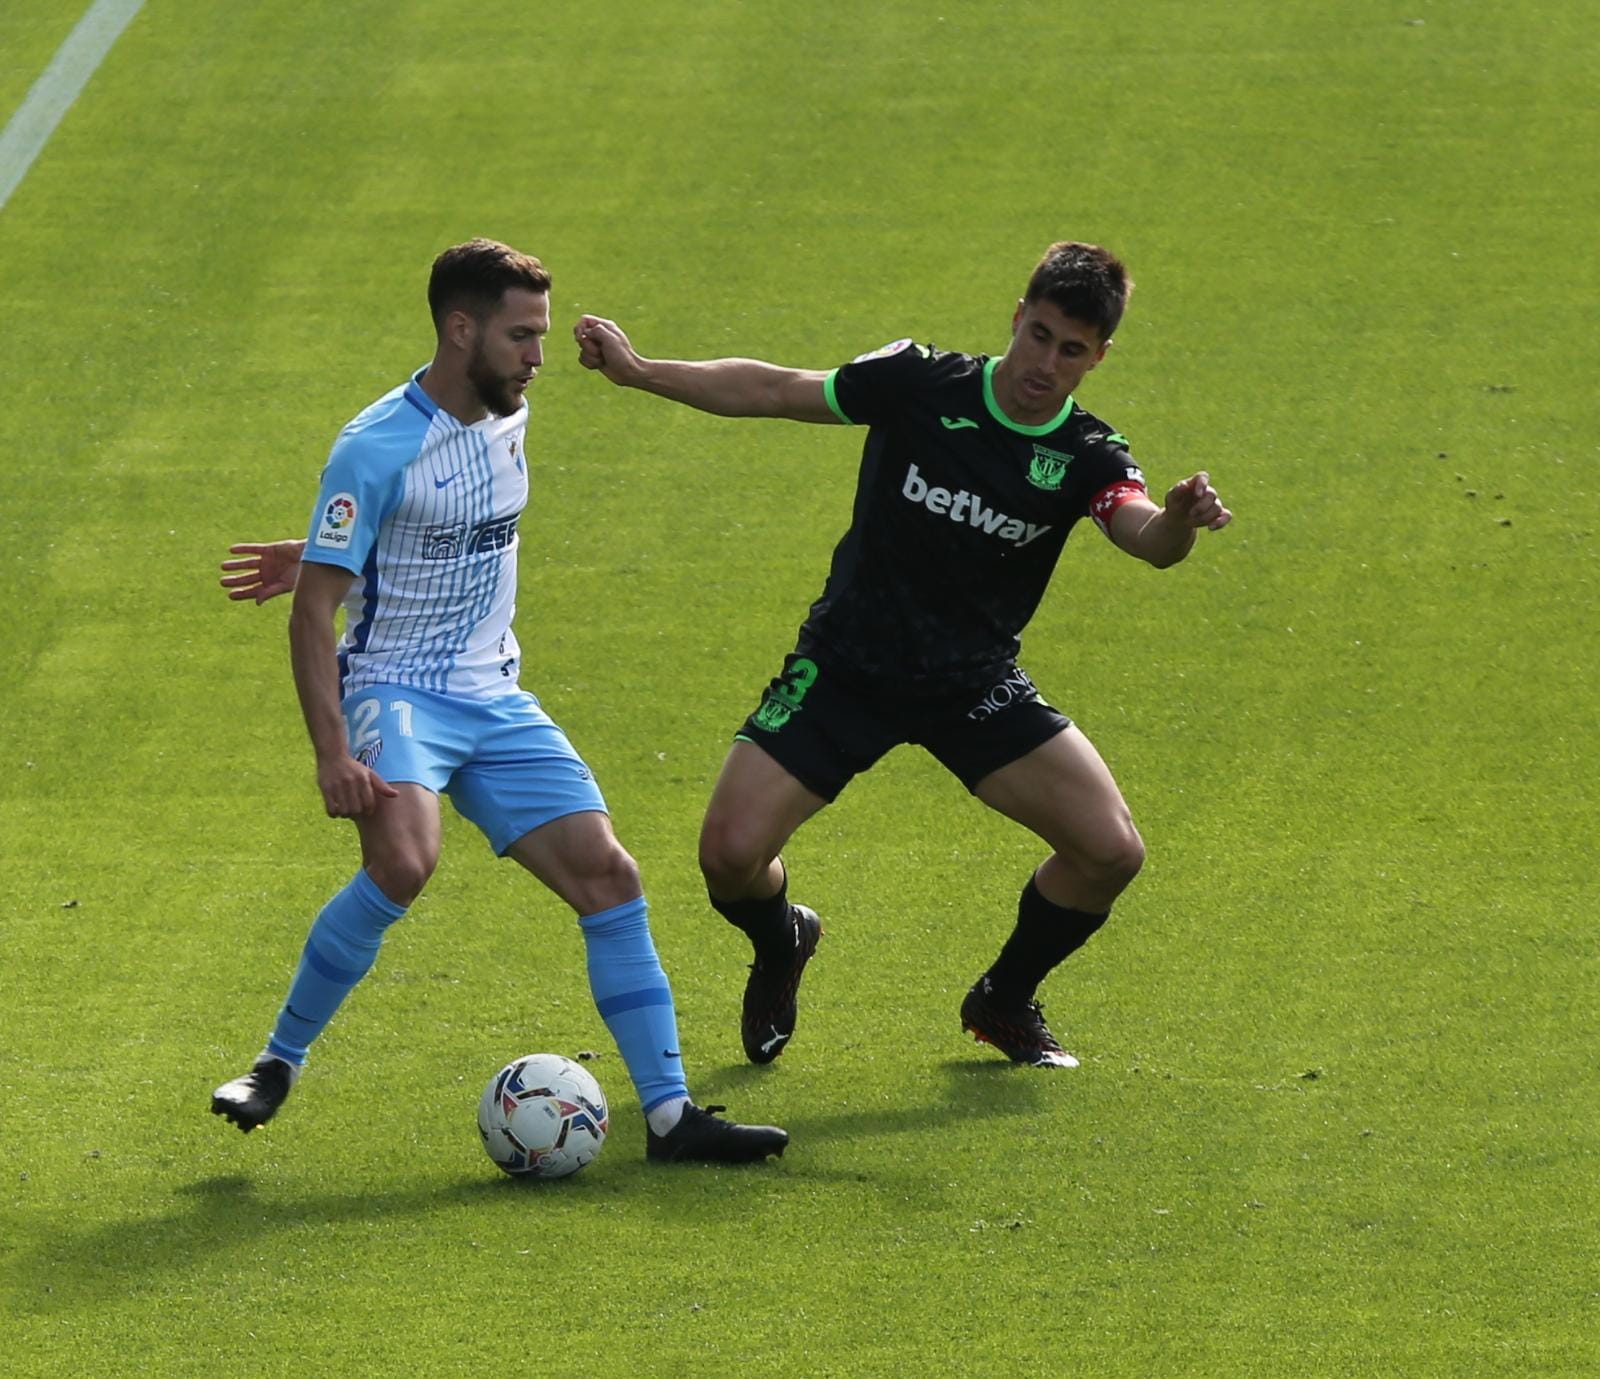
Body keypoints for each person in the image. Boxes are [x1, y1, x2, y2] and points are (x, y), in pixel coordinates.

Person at [572, 241, 1231, 1070]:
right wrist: (640, 371)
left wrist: (1177, 519)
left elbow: (1145, 537)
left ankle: (1005, 997)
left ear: (1099, 357)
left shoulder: (1088, 454)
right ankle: (783, 940)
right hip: (848, 668)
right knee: (729, 856)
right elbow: (777, 389)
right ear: (1016, 319)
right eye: (1039, 334)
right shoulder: (920, 382)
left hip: (972, 686)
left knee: (1110, 850)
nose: (1045, 363)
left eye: (1071, 350)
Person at [211, 239, 787, 1164]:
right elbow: (314, 612)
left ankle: (674, 1118)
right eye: (522, 336)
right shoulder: (373, 445)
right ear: (460, 328)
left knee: (610, 874)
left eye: (543, 335)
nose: (538, 357)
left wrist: (337, 552)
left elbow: (420, 532)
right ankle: (276, 1063)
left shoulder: (506, 412)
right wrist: (331, 750)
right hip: (397, 690)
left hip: (493, 692)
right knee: (405, 858)